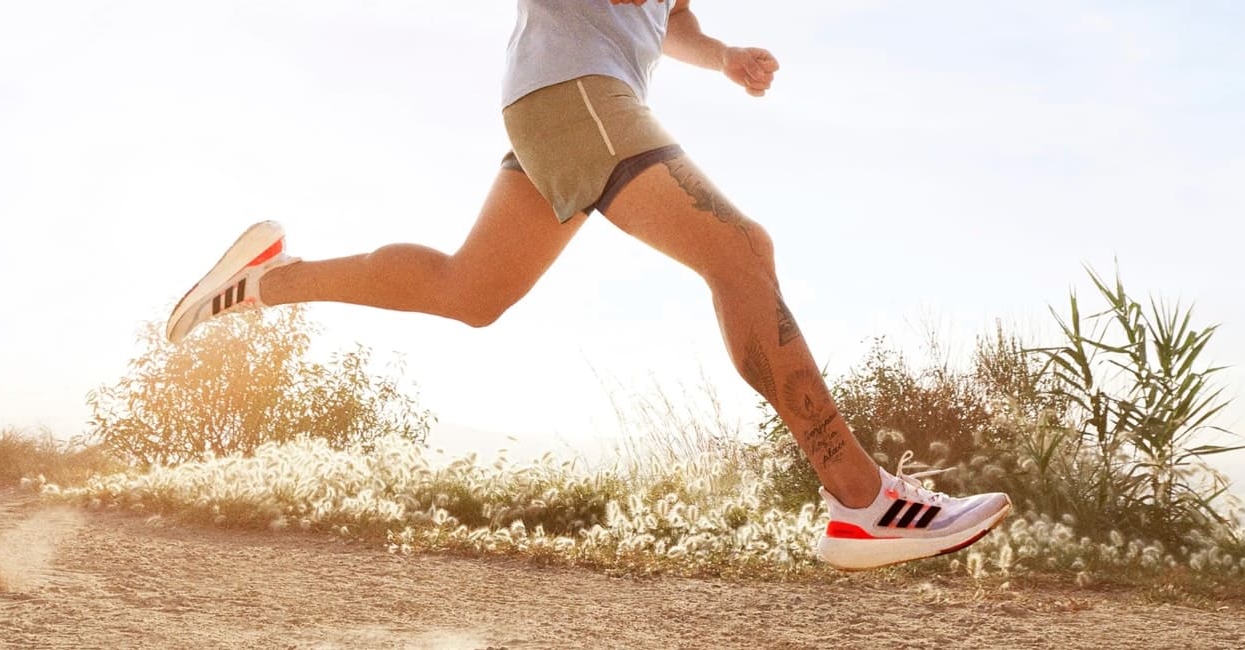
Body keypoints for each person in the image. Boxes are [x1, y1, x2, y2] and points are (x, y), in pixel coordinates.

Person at [166, 0, 1009, 571]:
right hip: (578, 90)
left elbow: (668, 16)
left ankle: (269, 280)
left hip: (563, 102)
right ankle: (860, 498)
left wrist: (722, 59)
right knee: (740, 250)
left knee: (472, 291)